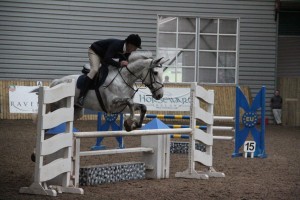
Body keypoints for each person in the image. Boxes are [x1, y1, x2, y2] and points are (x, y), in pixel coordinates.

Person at [77, 34, 142, 106]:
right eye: (135, 47)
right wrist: (119, 64)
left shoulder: (127, 52)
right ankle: (81, 96)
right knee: (95, 70)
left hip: (104, 55)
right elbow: (107, 59)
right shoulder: (117, 45)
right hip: (95, 51)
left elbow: (123, 62)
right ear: (130, 44)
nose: (135, 49)